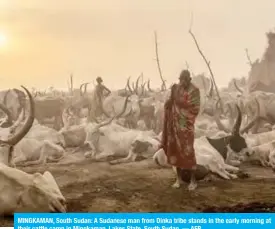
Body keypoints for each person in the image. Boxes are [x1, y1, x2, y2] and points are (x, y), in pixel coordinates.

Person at [160, 69, 200, 191]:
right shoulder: (176, 89)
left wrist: (178, 102)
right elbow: (170, 103)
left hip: (186, 127)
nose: (182, 82)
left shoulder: (194, 91)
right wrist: (170, 101)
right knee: (175, 151)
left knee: (188, 152)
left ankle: (193, 181)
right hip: (174, 126)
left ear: (189, 79)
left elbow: (194, 108)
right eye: (180, 79)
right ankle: (178, 179)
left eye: (185, 80)